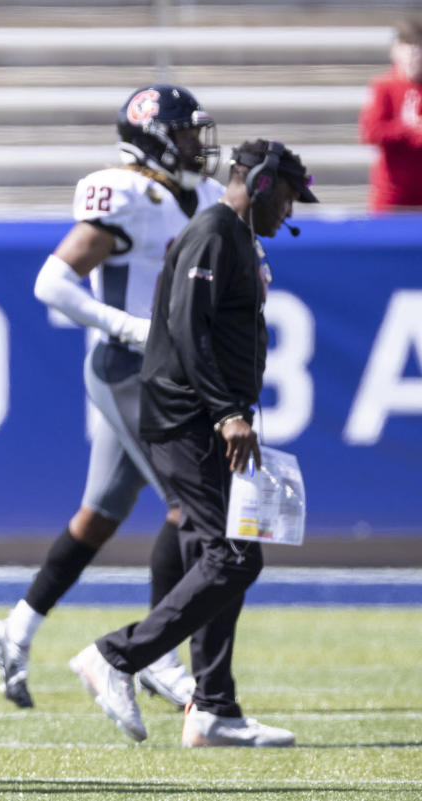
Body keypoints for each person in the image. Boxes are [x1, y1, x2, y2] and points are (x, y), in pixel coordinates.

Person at [0, 85, 222, 711]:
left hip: (165, 371)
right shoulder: (128, 194)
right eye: (188, 133)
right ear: (157, 137)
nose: (198, 144)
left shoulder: (204, 197)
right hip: (130, 370)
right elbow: (52, 282)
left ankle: (17, 629)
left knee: (99, 516)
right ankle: (158, 658)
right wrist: (128, 326)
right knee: (188, 507)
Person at [69, 138, 316, 747]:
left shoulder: (233, 236)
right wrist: (229, 411)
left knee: (230, 553)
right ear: (260, 184)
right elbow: (186, 329)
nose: (289, 212)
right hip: (190, 419)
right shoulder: (213, 231)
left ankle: (212, 707)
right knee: (233, 557)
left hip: (210, 417)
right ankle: (118, 656)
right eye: (285, 196)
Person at [359, 16, 422, 212]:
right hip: (392, 199)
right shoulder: (384, 88)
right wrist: (407, 129)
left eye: (418, 52)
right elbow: (371, 132)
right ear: (395, 52)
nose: (414, 59)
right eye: (409, 52)